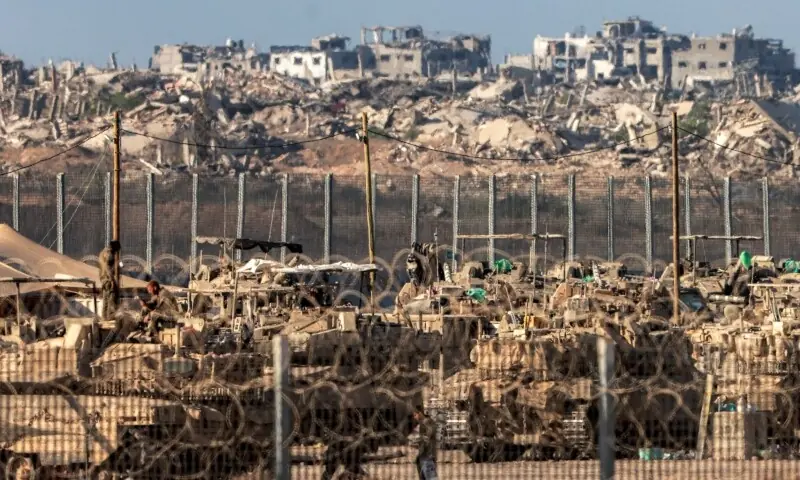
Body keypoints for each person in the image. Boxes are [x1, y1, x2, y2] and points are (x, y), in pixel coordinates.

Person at [411, 407, 438, 480]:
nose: (414, 417)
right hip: (423, 454)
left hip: (428, 455)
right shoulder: (422, 423)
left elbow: (428, 435)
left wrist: (418, 440)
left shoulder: (427, 422)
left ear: (420, 413)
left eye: (415, 415)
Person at [98, 240, 121, 320]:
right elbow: (108, 267)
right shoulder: (110, 253)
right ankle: (109, 317)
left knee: (106, 299)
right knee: (111, 298)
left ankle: (104, 317)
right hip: (108, 279)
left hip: (103, 278)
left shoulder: (103, 252)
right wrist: (112, 280)